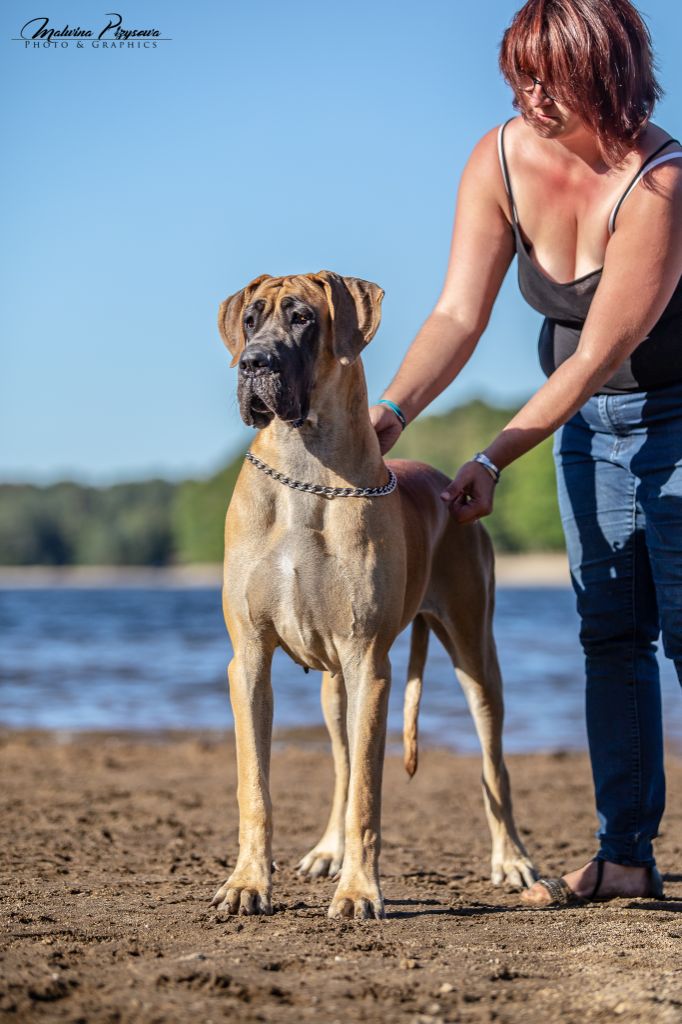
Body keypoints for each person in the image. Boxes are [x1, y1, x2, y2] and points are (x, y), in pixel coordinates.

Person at [369, 0, 682, 906]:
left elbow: (594, 358)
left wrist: (495, 456)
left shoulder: (660, 182)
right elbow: (458, 314)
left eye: (550, 77)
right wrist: (390, 413)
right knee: (611, 635)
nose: (530, 96)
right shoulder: (500, 157)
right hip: (590, 434)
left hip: (670, 417)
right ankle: (625, 858)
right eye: (519, 77)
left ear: (606, 72)